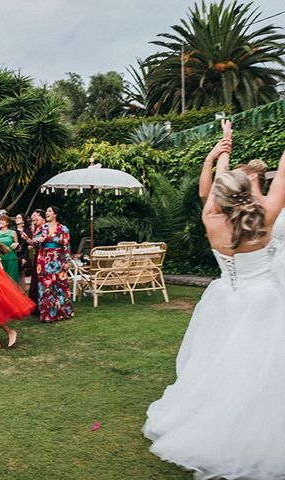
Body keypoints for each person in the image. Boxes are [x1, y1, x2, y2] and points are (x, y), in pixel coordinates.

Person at [143, 120, 285, 479]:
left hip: (226, 298)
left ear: (221, 197)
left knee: (223, 362)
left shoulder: (211, 219)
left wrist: (224, 145)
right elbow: (282, 173)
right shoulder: (266, 216)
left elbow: (220, 181)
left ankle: (217, 418)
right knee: (262, 368)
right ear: (249, 192)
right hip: (264, 300)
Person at [32, 206, 74, 322]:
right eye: (46, 211)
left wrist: (68, 261)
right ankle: (47, 314)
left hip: (58, 260)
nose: (47, 213)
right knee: (45, 287)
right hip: (43, 261)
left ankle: (62, 313)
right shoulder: (41, 228)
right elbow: (34, 241)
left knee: (60, 286)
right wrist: (37, 239)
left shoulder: (63, 229)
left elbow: (66, 246)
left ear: (55, 214)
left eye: (49, 211)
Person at [22, 209, 45, 306]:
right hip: (37, 255)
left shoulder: (44, 228)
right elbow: (34, 242)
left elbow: (36, 242)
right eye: (32, 217)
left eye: (36, 215)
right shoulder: (37, 228)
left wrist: (29, 240)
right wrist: (27, 239)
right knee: (35, 279)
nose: (33, 218)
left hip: (44, 255)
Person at [0, 214, 20, 284]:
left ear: (7, 223)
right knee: (2, 280)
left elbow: (17, 245)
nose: (0, 222)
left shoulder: (13, 233)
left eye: (2, 220)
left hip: (11, 258)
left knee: (12, 280)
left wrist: (17, 244)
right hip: (0, 259)